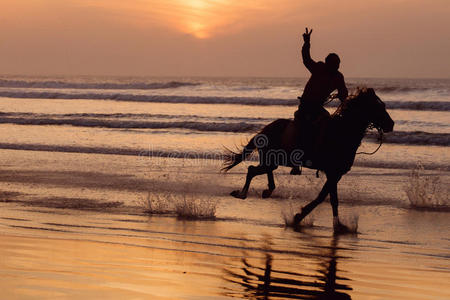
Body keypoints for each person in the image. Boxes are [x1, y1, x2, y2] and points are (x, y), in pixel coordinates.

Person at [291, 28, 348, 175]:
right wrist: (307, 43)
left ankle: (323, 157)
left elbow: (343, 94)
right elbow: (306, 59)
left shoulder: (338, 77)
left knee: (330, 126)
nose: (337, 67)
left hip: (318, 108)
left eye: (339, 64)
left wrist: (347, 105)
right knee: (305, 128)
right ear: (328, 64)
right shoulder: (318, 68)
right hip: (306, 106)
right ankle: (296, 161)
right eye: (335, 64)